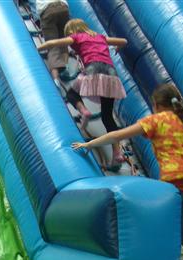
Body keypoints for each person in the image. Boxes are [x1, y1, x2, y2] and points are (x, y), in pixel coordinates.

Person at [71, 83, 183, 260]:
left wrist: (88, 144)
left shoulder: (156, 120)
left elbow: (118, 135)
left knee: (162, 232)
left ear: (156, 105)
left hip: (178, 184)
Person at [38, 18, 128, 171]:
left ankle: (83, 110)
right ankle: (117, 152)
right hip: (111, 74)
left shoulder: (76, 37)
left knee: (72, 94)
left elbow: (54, 43)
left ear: (72, 31)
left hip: (93, 70)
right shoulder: (100, 37)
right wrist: (118, 47)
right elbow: (124, 41)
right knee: (107, 116)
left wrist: (39, 48)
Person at [29, 1, 93, 129]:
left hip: (47, 10)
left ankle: (56, 79)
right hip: (63, 8)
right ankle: (64, 65)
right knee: (63, 41)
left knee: (52, 46)